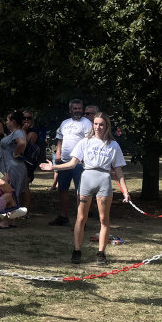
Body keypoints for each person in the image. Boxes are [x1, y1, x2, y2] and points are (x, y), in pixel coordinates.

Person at [41, 112, 130, 265]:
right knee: (81, 217)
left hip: (104, 180)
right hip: (86, 179)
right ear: (92, 125)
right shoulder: (84, 142)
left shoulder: (113, 145)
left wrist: (125, 191)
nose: (98, 127)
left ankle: (101, 253)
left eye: (101, 124)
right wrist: (54, 167)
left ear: (106, 126)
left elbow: (119, 170)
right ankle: (77, 251)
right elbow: (72, 163)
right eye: (95, 124)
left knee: (104, 219)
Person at [48, 99, 92, 227]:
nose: (77, 111)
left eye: (79, 108)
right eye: (75, 108)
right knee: (62, 189)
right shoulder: (64, 123)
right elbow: (60, 139)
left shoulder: (86, 123)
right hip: (64, 162)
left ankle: (81, 220)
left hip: (79, 163)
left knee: (80, 192)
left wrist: (84, 157)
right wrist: (58, 153)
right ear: (70, 110)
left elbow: (88, 142)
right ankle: (64, 217)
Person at [0, 111, 29, 220]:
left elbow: (22, 143)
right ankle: (11, 220)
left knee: (8, 191)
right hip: (9, 165)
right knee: (11, 191)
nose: (6, 122)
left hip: (11, 166)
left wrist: (16, 154)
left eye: (8, 120)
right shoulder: (16, 132)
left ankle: (5, 221)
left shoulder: (17, 132)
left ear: (13, 121)